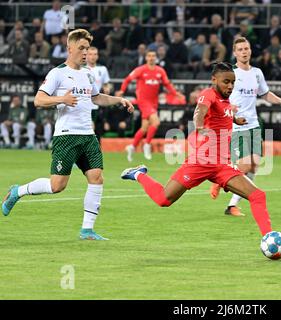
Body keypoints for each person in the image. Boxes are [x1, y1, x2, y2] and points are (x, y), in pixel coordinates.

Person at [120, 62, 281, 248]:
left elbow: (222, 116)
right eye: (226, 82)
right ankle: (139, 174)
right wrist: (199, 127)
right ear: (214, 80)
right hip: (201, 162)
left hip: (222, 165)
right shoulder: (208, 95)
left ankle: (270, 238)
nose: (230, 86)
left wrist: (235, 119)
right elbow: (200, 112)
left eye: (232, 82)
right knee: (164, 200)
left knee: (258, 196)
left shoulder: (226, 100)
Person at [1, 29, 134, 241]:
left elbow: (97, 98)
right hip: (66, 136)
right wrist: (61, 98)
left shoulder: (88, 74)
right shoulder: (57, 73)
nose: (85, 52)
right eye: (81, 48)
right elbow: (38, 100)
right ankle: (18, 191)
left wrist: (119, 100)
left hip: (87, 135)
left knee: (96, 178)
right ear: (69, 48)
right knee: (57, 186)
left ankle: (87, 230)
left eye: (87, 48)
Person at [210, 37, 281, 217]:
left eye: (246, 48)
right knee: (245, 165)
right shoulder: (230, 73)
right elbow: (216, 95)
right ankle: (220, 180)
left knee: (255, 165)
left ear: (250, 51)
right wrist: (227, 107)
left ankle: (232, 205)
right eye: (240, 49)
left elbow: (264, 94)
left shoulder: (257, 72)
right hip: (236, 125)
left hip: (254, 124)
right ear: (235, 53)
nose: (244, 52)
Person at [116, 49, 184, 162]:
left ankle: (132, 147)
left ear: (156, 58)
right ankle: (147, 145)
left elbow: (167, 84)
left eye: (153, 56)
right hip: (143, 101)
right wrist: (122, 91)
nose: (151, 58)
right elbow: (127, 79)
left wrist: (176, 94)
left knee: (144, 127)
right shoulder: (141, 70)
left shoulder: (160, 71)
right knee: (156, 122)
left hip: (153, 102)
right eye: (149, 56)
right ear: (146, 58)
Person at [86, 46, 111, 142]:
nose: (93, 56)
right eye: (90, 54)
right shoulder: (82, 69)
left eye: (95, 54)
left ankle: (94, 151)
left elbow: (106, 84)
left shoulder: (102, 69)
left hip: (97, 103)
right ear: (86, 56)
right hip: (85, 103)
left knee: (97, 130)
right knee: (90, 127)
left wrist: (106, 88)